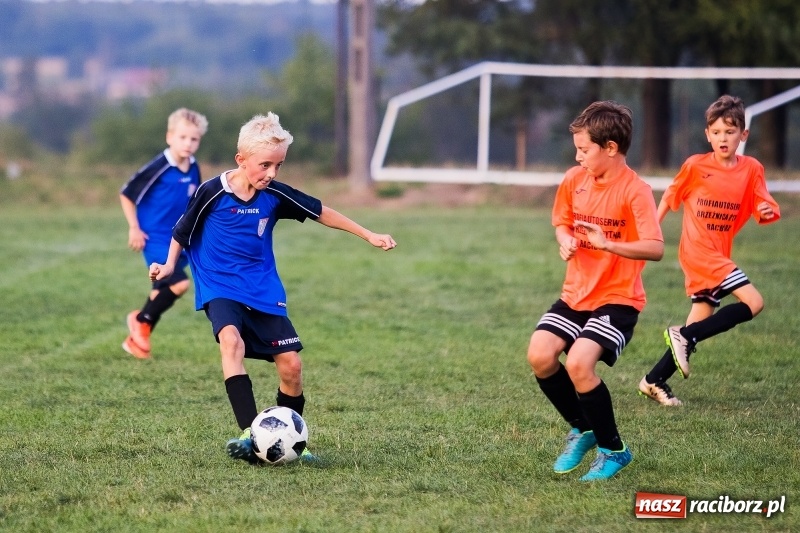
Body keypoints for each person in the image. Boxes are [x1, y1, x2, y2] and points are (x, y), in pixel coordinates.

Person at [148, 112, 397, 464]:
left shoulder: (275, 194)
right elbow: (181, 231)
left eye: (279, 165)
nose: (272, 173)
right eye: (265, 165)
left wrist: (369, 234)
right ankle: (251, 435)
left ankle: (294, 440)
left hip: (263, 289)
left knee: (292, 366)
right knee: (230, 342)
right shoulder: (212, 192)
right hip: (219, 286)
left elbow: (321, 211)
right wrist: (170, 265)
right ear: (242, 160)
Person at [526, 101, 664, 481]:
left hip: (618, 299)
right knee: (540, 355)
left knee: (579, 364)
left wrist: (609, 244)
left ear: (611, 148)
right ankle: (583, 427)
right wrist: (565, 240)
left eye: (584, 149)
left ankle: (614, 450)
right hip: (575, 294)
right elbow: (561, 223)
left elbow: (655, 247)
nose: (577, 155)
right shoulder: (575, 179)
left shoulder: (636, 191)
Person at [638, 95, 780, 406]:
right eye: (716, 132)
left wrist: (767, 210)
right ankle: (684, 336)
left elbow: (762, 200)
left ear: (743, 135)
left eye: (730, 132)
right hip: (699, 252)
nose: (723, 138)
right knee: (754, 303)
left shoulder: (752, 168)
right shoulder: (695, 166)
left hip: (720, 252)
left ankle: (653, 379)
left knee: (699, 321)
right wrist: (653, 230)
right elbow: (669, 197)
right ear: (707, 135)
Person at [120, 107, 209, 359]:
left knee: (160, 290)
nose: (188, 144)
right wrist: (134, 228)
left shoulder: (193, 167)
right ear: (169, 136)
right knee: (179, 283)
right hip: (155, 238)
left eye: (194, 139)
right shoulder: (159, 166)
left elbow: (193, 203)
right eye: (182, 137)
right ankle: (140, 320)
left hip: (178, 239)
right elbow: (127, 194)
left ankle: (137, 338)